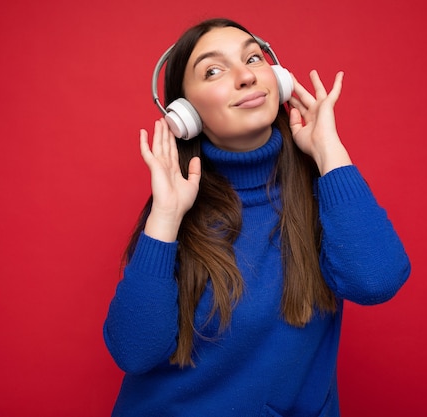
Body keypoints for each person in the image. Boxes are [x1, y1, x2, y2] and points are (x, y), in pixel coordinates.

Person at [103, 17, 410, 417]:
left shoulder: (327, 196)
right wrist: (164, 218)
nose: (245, 75)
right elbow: (133, 352)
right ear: (184, 114)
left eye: (253, 58)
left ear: (278, 80)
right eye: (213, 70)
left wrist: (329, 151)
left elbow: (377, 280)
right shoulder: (174, 213)